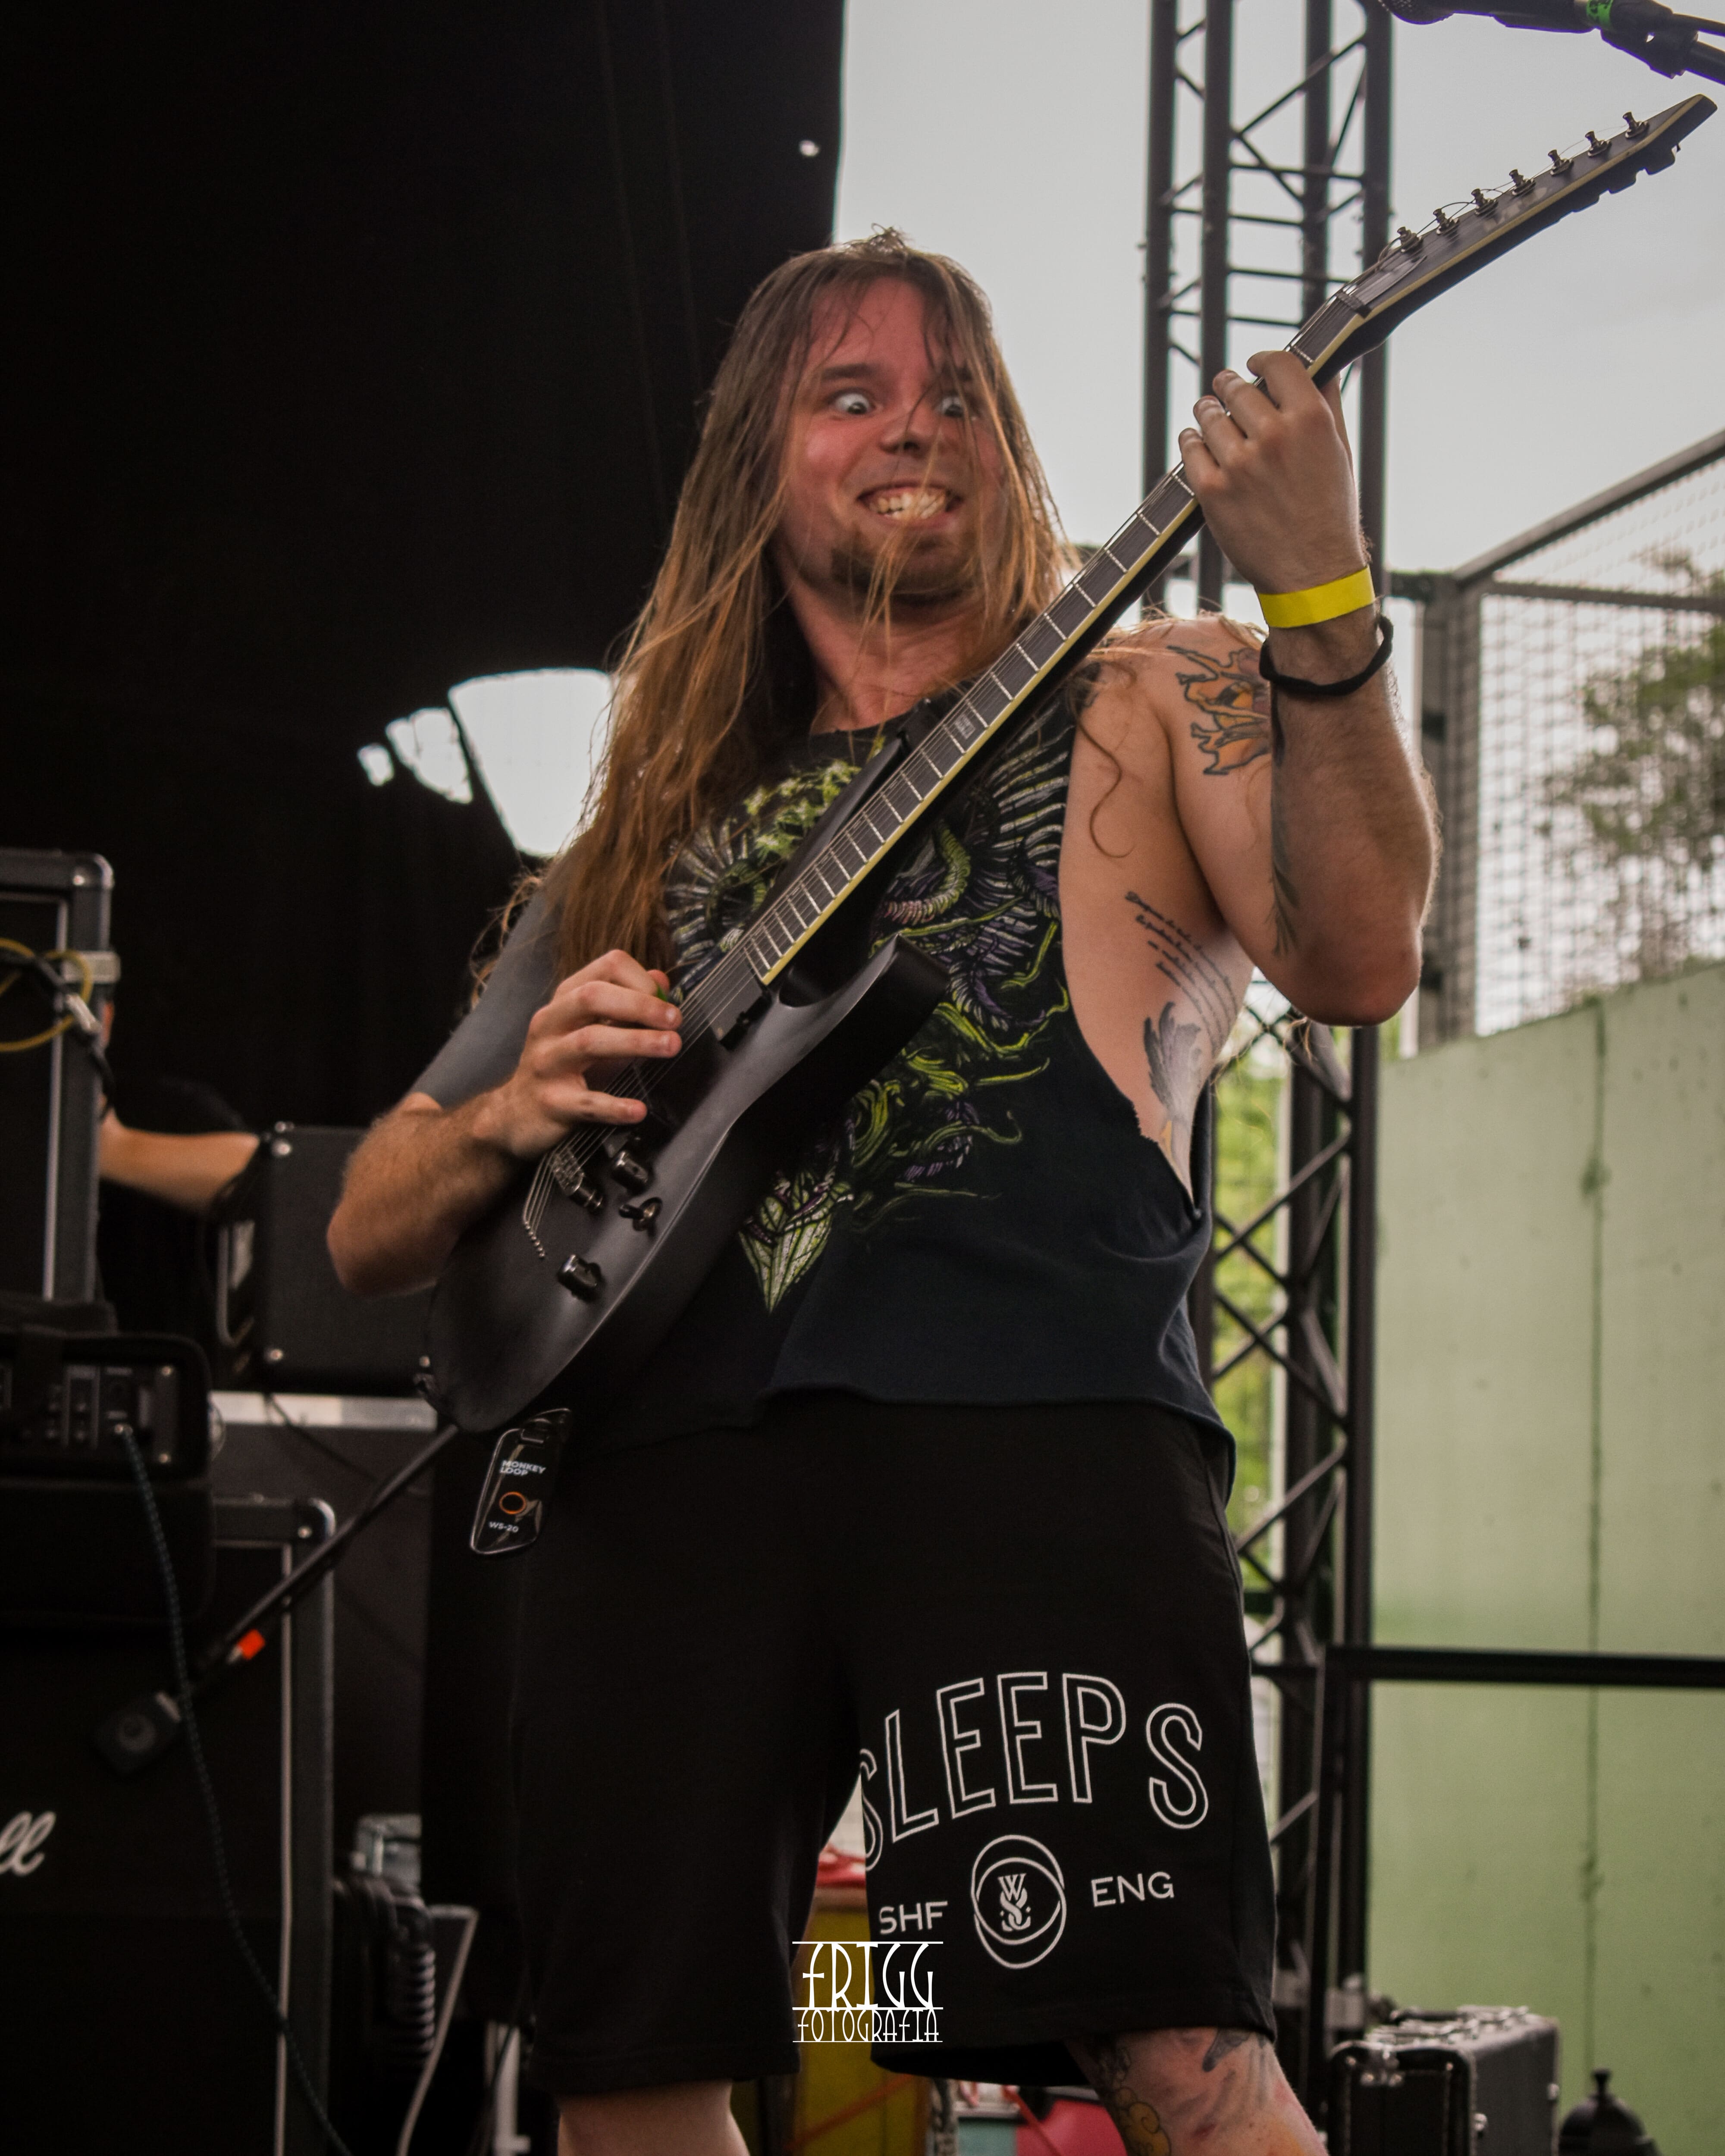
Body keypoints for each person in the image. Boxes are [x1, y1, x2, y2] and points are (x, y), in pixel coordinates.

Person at [329, 232, 1433, 2156]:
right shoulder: (654, 819)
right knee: (629, 2080)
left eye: (954, 399)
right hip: (662, 1471)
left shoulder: (1156, 683)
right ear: (761, 468)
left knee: (1179, 2056)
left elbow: (1357, 955)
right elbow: (367, 1223)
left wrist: (1318, 591)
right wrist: (513, 1108)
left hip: (1037, 1423)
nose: (914, 431)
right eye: (851, 397)